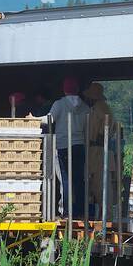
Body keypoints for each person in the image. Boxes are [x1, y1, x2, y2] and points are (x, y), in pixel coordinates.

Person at [47, 77, 89, 217]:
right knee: (79, 180)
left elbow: (49, 119)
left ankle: (66, 211)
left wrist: (33, 119)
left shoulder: (59, 104)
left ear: (64, 90)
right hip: (79, 145)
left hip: (63, 145)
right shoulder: (85, 106)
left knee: (65, 179)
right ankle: (81, 211)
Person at [82, 82, 113, 218]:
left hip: (98, 151)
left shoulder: (101, 107)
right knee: (93, 184)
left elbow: (109, 123)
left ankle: (105, 215)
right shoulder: (95, 107)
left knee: (100, 185)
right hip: (93, 150)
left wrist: (101, 137)